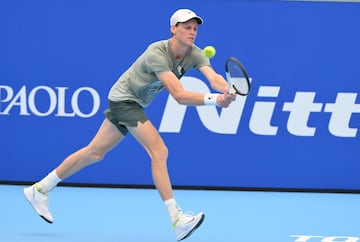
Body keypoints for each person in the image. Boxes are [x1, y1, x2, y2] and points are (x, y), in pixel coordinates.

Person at [23, 8, 236, 241]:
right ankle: (177, 220)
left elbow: (213, 77)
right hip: (124, 100)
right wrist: (215, 100)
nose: (192, 32)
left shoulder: (195, 53)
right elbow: (178, 95)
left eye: (195, 28)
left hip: (135, 102)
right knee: (159, 151)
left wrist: (226, 89)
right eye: (186, 27)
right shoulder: (157, 52)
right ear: (173, 29)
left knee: (94, 153)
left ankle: (40, 189)